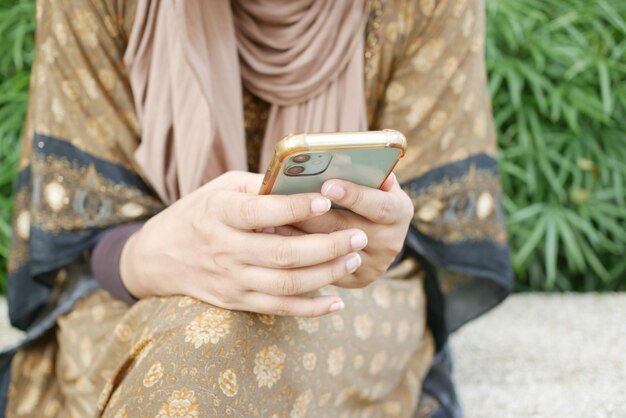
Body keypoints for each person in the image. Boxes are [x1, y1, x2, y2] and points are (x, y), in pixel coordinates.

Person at [2, 0, 512, 417]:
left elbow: (430, 214)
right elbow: (74, 214)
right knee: (200, 351)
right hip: (131, 287)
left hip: (346, 291)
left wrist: (372, 242)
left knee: (221, 350)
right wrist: (143, 256)